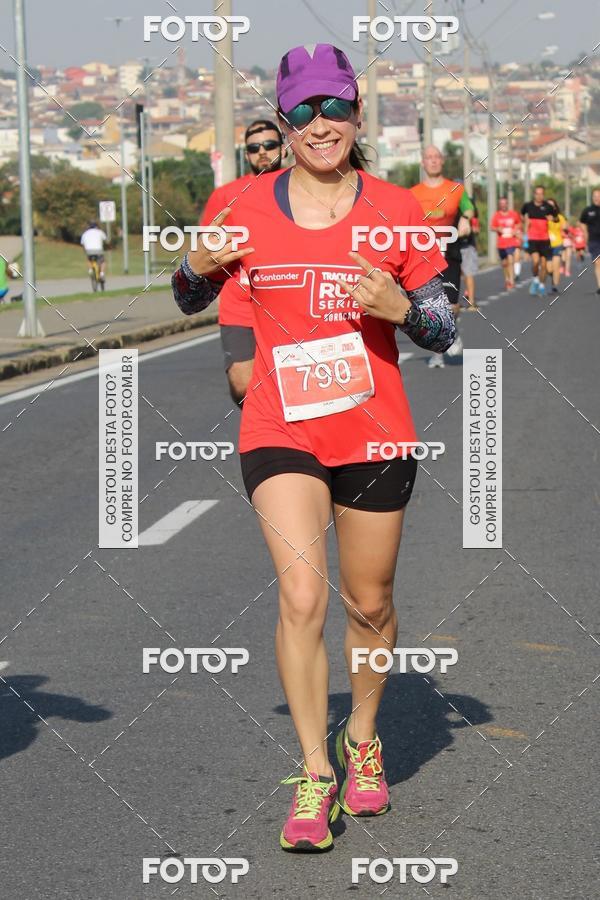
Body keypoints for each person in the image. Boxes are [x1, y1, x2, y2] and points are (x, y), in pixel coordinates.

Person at [171, 43, 455, 852]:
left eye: (334, 107)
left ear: (357, 115)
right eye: (302, 111)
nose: (320, 124)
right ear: (283, 121)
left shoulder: (396, 209)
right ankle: (314, 769)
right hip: (280, 427)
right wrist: (192, 265)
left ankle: (362, 740)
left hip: (373, 430)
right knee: (302, 596)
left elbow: (443, 327)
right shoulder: (240, 203)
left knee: (370, 603)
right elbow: (188, 295)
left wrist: (402, 308)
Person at [200, 120, 287, 403]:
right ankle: (260, 422)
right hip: (241, 303)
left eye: (270, 145)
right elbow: (206, 249)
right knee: (242, 385)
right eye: (254, 148)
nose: (262, 152)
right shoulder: (225, 196)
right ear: (246, 154)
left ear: (283, 148)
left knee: (292, 384)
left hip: (290, 299)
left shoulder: (302, 188)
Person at [410, 145, 474, 367]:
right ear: (423, 163)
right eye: (429, 157)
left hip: (449, 253)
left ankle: (452, 331)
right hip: (422, 255)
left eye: (437, 157)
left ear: (442, 161)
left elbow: (469, 208)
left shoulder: (456, 189)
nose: (433, 160)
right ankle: (437, 353)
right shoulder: (413, 193)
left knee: (451, 305)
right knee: (428, 306)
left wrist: (465, 218)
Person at [521, 186, 553, 296]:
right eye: (537, 194)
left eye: (541, 194)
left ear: (544, 195)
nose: (539, 196)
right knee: (535, 261)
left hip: (545, 239)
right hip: (533, 238)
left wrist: (552, 219)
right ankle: (535, 279)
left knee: (544, 265)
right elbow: (522, 216)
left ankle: (542, 285)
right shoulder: (528, 206)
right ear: (534, 194)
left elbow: (555, 218)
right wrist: (525, 222)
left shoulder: (548, 206)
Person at [490, 196, 521, 290]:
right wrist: (497, 229)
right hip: (501, 243)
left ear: (507, 204)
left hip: (511, 241)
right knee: (504, 263)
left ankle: (511, 281)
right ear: (499, 205)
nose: (503, 205)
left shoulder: (513, 214)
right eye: (501, 204)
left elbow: (519, 223)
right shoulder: (496, 215)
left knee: (510, 260)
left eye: (505, 203)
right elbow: (492, 227)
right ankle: (507, 279)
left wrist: (515, 229)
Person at [459, 195, 480, 310]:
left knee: (468, 272)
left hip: (466, 245)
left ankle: (471, 301)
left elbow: (473, 229)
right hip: (453, 245)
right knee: (459, 273)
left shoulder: (469, 209)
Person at [580, 188, 600, 294]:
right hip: (594, 240)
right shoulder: (588, 210)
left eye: (599, 196)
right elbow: (582, 222)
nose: (597, 198)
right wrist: (585, 233)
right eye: (595, 196)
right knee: (597, 262)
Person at [545, 198, 568, 293]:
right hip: (546, 244)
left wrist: (565, 228)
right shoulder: (542, 216)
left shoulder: (560, 217)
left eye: (552, 205)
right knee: (548, 268)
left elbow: (565, 227)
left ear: (555, 207)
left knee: (556, 265)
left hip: (557, 244)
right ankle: (553, 276)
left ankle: (554, 285)